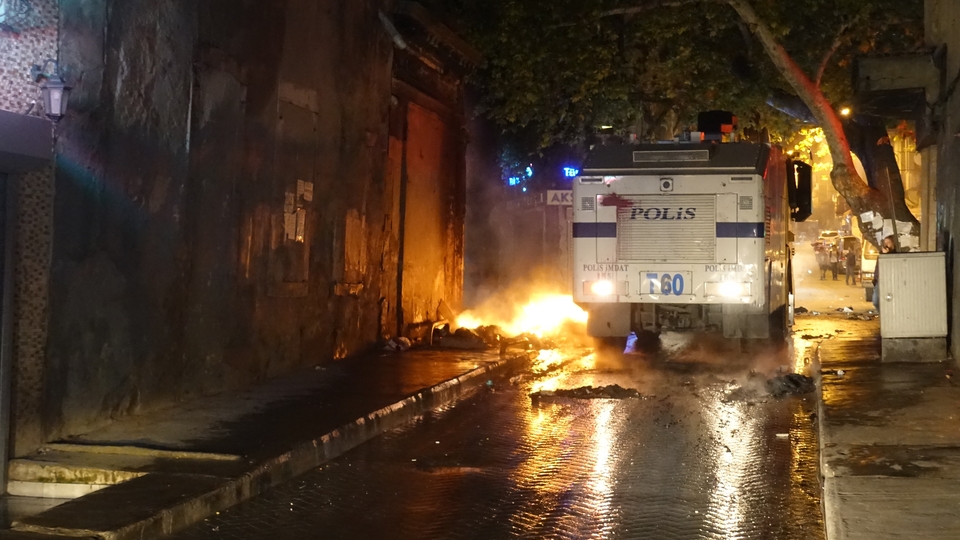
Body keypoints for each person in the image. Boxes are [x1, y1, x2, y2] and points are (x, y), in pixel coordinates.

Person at [872, 235, 897, 312]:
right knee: (875, 300)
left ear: (893, 244)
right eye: (885, 242)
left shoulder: (895, 254)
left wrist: (886, 255)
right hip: (880, 280)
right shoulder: (881, 254)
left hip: (891, 281)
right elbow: (877, 267)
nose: (886, 244)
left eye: (888, 242)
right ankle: (882, 315)